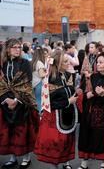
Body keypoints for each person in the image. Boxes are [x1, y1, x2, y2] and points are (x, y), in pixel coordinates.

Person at [34, 50, 78, 169]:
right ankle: (55, 166)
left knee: (67, 140)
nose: (69, 63)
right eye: (65, 61)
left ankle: (66, 162)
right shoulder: (49, 79)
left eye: (68, 60)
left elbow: (71, 92)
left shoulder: (68, 75)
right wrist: (68, 101)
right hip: (54, 116)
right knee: (56, 142)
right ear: (57, 63)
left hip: (68, 114)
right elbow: (49, 103)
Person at [0, 39, 39, 169]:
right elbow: (1, 84)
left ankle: (26, 158)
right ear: (7, 49)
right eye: (14, 47)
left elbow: (26, 84)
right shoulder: (3, 64)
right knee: (9, 132)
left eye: (19, 47)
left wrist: (16, 100)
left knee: (22, 132)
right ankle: (13, 158)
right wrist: (6, 99)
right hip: (5, 102)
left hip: (22, 102)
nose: (17, 49)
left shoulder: (25, 63)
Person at [78, 52, 104, 169]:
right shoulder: (92, 76)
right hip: (89, 112)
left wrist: (103, 95)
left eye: (101, 62)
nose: (98, 64)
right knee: (86, 136)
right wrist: (86, 95)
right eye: (97, 62)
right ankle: (84, 162)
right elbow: (82, 92)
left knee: (103, 137)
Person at [31, 47, 47, 114]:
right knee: (39, 100)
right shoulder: (40, 63)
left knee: (36, 100)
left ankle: (36, 114)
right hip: (39, 84)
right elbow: (42, 75)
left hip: (34, 84)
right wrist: (47, 72)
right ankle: (39, 115)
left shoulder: (33, 62)